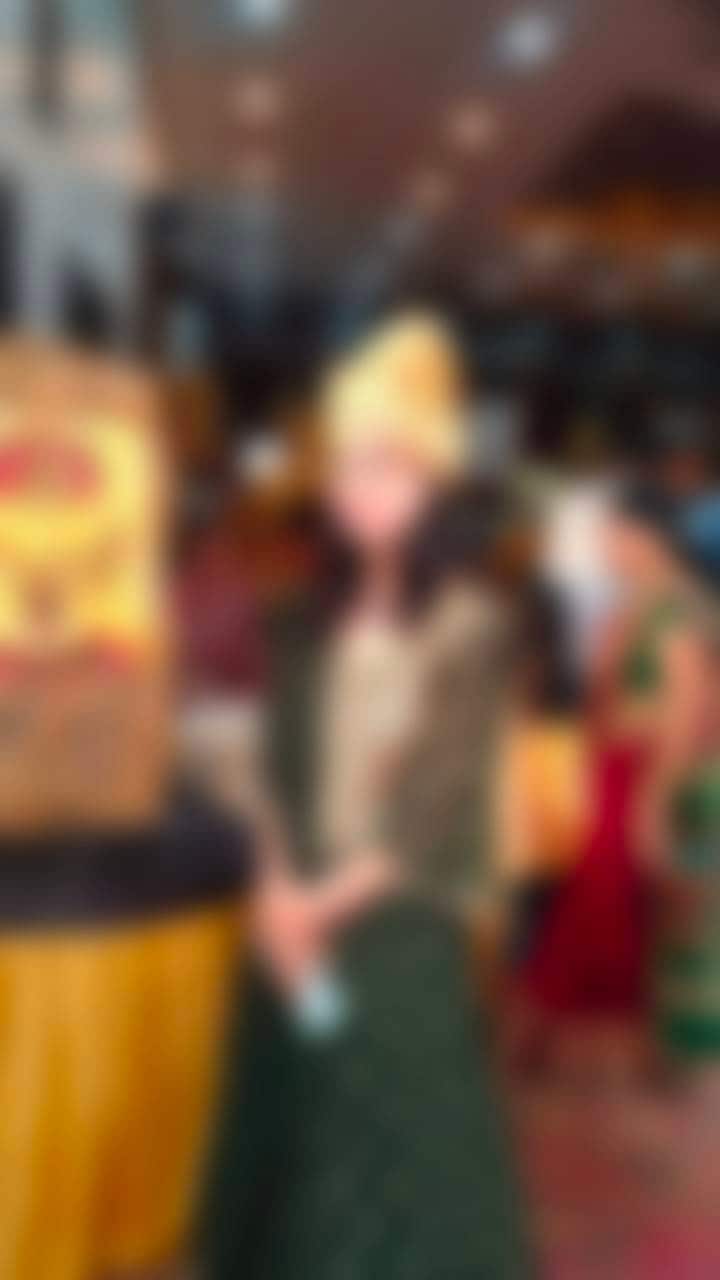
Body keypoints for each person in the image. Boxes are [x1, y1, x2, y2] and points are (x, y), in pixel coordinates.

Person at [198, 312, 532, 1280]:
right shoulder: (296, 615)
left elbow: (430, 806)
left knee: (396, 1147)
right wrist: (273, 893)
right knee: (296, 1140)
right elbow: (260, 766)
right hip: (288, 922)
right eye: (346, 465)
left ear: (434, 479)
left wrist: (312, 915)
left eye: (387, 465)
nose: (360, 488)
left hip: (395, 927)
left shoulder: (471, 625)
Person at [518, 486, 707, 1073]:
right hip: (610, 768)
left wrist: (654, 802)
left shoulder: (677, 609)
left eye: (612, 537)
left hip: (643, 776)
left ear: (645, 539)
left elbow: (686, 712)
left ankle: (552, 1036)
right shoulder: (638, 601)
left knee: (606, 904)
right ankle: (634, 1044)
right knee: (609, 906)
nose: (603, 549)